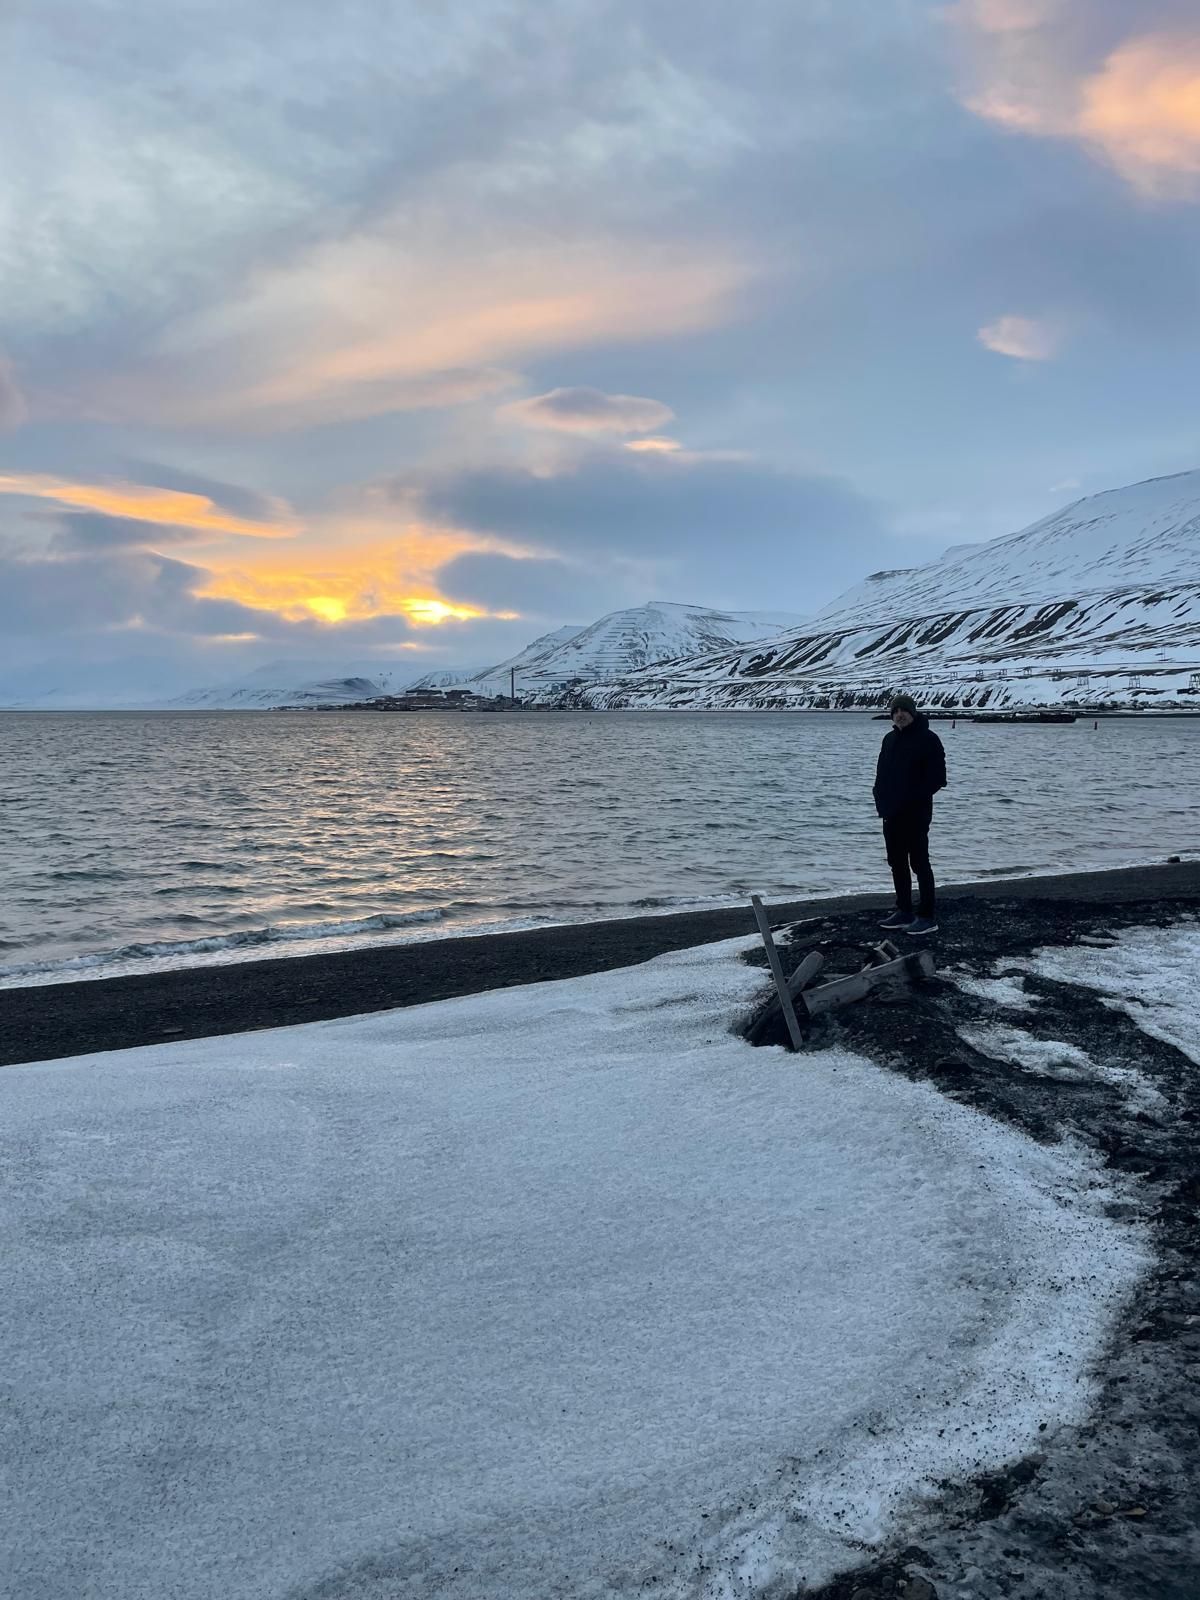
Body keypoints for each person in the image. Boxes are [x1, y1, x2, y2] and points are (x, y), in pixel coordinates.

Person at [873, 693, 947, 936]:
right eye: (895, 711)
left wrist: (911, 799)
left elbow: (937, 779)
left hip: (916, 813)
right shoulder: (889, 739)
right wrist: (880, 800)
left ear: (912, 713)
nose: (899, 715)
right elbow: (881, 774)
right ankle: (904, 910)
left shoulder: (928, 739)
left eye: (903, 710)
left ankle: (927, 916)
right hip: (891, 813)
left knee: (919, 862)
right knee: (896, 862)